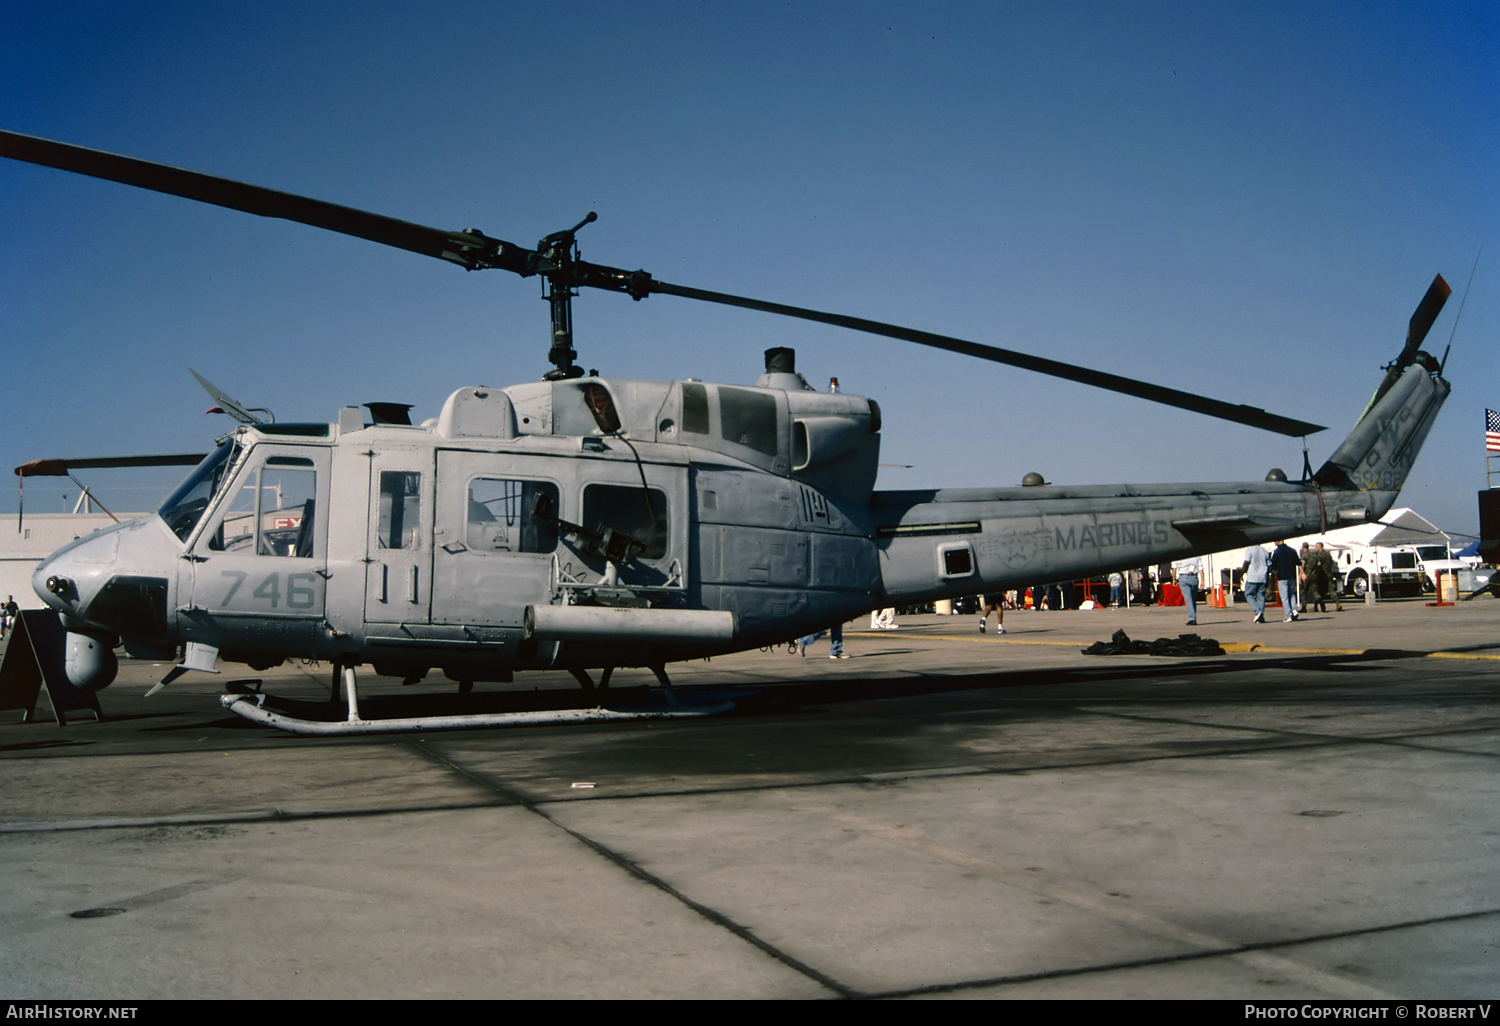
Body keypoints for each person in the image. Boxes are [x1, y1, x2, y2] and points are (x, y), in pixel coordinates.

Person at [1270, 540, 1301, 622]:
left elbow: (1273, 565)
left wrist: (1272, 572)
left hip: (1282, 576)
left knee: (1284, 597)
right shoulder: (1292, 550)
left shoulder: (1276, 552)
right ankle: (1294, 610)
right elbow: (1298, 562)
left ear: (1278, 541)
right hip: (1291, 575)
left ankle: (1288, 615)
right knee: (1292, 594)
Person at [1306, 542, 1341, 612]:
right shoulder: (1328, 554)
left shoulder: (1319, 556)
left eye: (1316, 547)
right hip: (1329, 574)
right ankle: (1338, 603)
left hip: (1322, 576)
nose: (1315, 548)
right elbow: (1330, 563)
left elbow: (1318, 566)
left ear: (1320, 547)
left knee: (1317, 591)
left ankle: (1316, 607)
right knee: (1331, 590)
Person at [1242, 544, 1270, 624]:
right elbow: (1269, 566)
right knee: (1261, 596)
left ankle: (1257, 612)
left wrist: (1241, 574)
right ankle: (1261, 615)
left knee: (1248, 594)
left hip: (1253, 576)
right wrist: (1267, 579)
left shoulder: (1249, 550)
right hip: (1263, 576)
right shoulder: (1265, 551)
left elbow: (1246, 563)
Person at [1172, 556, 1202, 626]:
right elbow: (1201, 568)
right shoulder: (1196, 555)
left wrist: (1174, 579)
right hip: (1194, 577)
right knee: (1193, 599)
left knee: (1188, 599)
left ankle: (1192, 618)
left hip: (1183, 576)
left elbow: (1174, 568)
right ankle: (1193, 616)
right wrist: (1202, 580)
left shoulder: (1178, 554)